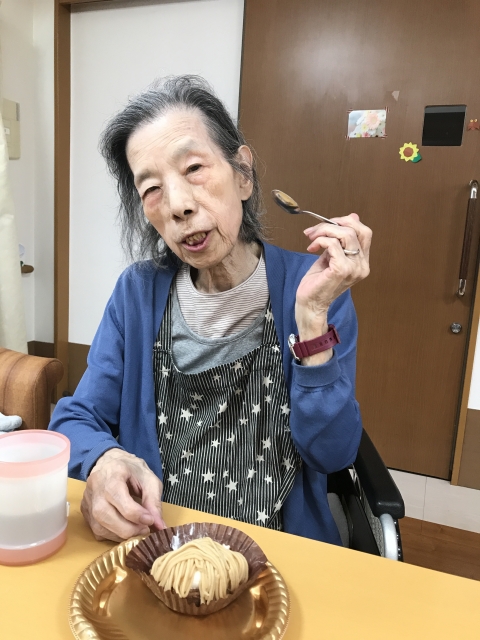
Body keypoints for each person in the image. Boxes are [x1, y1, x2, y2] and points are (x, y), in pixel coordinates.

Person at [49, 75, 371, 546]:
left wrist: (312, 320)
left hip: (276, 551)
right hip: (160, 546)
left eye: (194, 168)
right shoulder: (137, 294)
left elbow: (333, 453)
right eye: (151, 188)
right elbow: (74, 419)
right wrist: (103, 460)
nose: (178, 206)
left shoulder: (315, 288)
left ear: (242, 174)